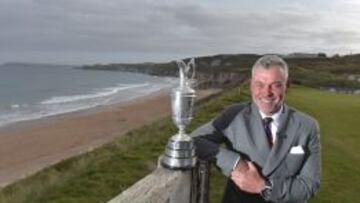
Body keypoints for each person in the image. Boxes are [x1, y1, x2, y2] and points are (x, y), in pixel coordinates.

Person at [191, 55, 321, 203]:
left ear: (287, 86)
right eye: (260, 84)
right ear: (250, 85)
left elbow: (309, 185)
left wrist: (264, 187)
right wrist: (235, 162)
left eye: (275, 85)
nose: (267, 92)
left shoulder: (307, 126)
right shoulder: (233, 115)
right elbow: (193, 140)